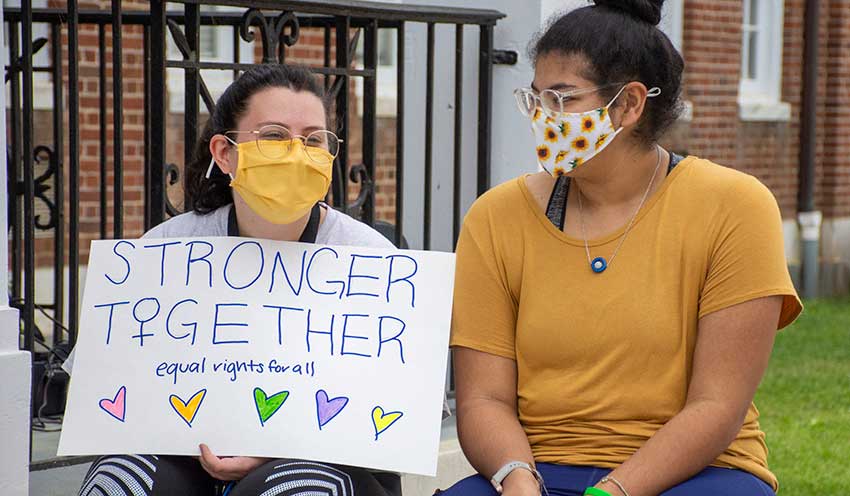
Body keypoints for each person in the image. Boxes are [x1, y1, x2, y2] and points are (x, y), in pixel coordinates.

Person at [440, 1, 801, 496]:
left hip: (698, 473)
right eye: (536, 98)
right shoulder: (494, 218)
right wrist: (517, 478)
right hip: (538, 468)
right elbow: (483, 399)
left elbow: (717, 405)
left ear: (629, 104)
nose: (545, 117)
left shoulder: (735, 207)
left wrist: (613, 491)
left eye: (562, 99)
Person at [78, 64, 403, 496]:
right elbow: (110, 386)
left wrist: (278, 445)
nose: (295, 152)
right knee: (122, 483)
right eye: (273, 136)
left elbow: (393, 412)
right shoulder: (166, 249)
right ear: (224, 153)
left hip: (331, 464)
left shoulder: (371, 258)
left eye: (312, 140)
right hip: (182, 455)